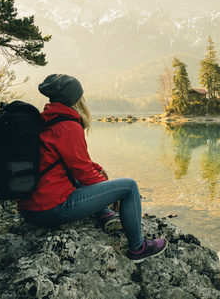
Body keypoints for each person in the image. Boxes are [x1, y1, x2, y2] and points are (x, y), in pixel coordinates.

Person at [17, 74, 167, 263]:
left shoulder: (47, 120)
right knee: (129, 187)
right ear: (75, 100)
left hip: (30, 206)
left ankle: (104, 214)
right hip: (50, 209)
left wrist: (98, 168)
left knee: (90, 178)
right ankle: (138, 248)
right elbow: (85, 175)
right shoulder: (68, 126)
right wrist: (111, 191)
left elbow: (68, 160)